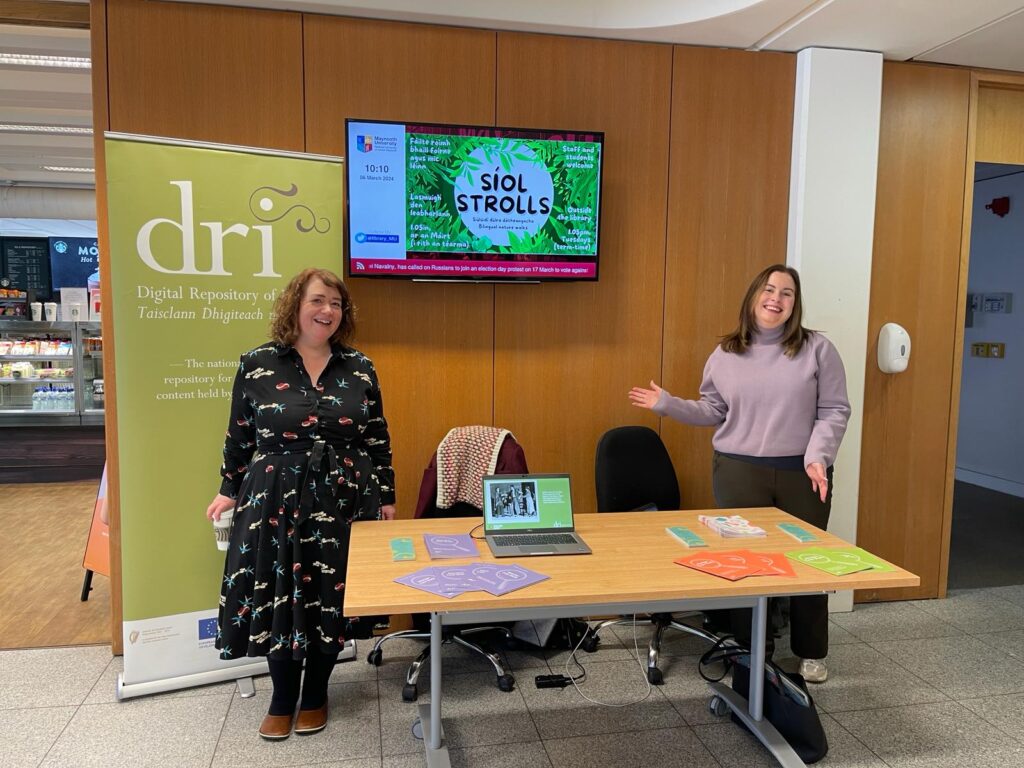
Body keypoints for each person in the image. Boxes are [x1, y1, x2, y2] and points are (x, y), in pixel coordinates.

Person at [629, 264, 849, 683]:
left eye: (787, 293)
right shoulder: (726, 354)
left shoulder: (817, 349)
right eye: (769, 290)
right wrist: (667, 404)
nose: (777, 299)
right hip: (738, 471)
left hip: (803, 472)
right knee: (748, 564)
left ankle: (811, 652)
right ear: (753, 296)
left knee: (809, 563)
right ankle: (753, 650)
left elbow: (834, 409)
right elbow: (712, 410)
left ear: (794, 304)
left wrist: (819, 455)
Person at [206, 267, 396, 740]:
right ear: (295, 305)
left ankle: (316, 693)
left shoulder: (360, 366)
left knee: (333, 597)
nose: (327, 310)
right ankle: (281, 697)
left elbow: (377, 437)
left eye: (335, 303)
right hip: (274, 499)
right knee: (279, 592)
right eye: (317, 300)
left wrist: (387, 497)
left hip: (346, 496)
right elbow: (239, 435)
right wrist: (228, 488)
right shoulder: (258, 363)